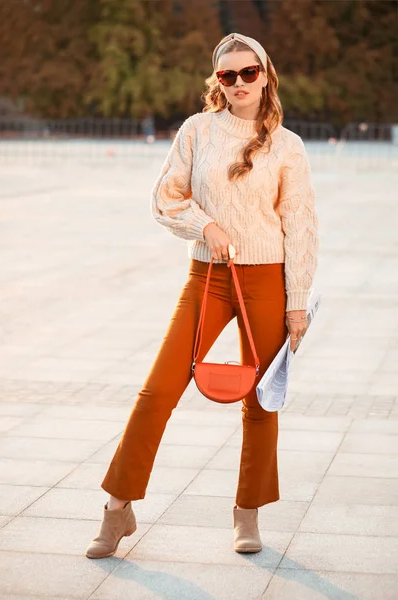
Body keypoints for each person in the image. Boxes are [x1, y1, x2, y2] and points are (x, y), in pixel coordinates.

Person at [86, 32, 319, 559]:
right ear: (217, 80)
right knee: (158, 390)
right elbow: (166, 196)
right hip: (209, 277)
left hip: (268, 278)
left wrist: (297, 300)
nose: (238, 83)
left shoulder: (289, 146)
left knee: (261, 399)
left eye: (248, 73)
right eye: (227, 75)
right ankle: (117, 508)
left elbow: (300, 224)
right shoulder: (197, 131)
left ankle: (247, 512)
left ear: (266, 74)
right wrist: (204, 224)